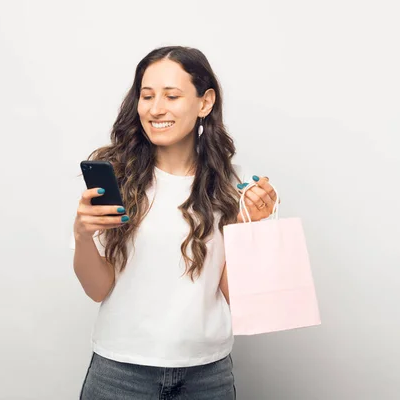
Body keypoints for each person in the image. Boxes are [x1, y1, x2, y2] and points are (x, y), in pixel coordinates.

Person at [71, 46, 278, 399]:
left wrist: (250, 228)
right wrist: (82, 236)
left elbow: (239, 298)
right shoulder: (116, 178)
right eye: (147, 96)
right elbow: (97, 289)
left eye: (172, 95)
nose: (156, 109)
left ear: (205, 102)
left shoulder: (234, 185)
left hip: (207, 375)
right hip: (120, 373)